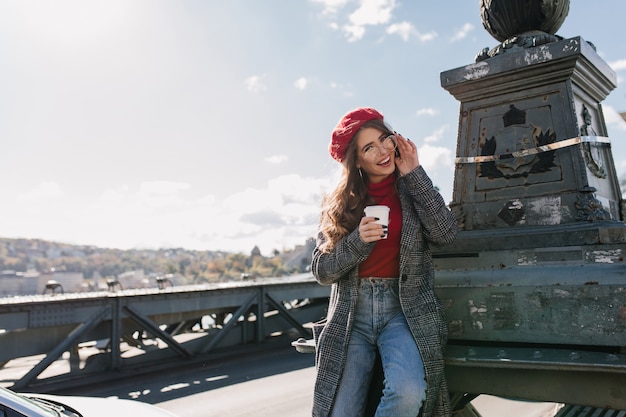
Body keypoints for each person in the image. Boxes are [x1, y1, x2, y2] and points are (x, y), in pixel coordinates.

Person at [311, 107, 458, 417]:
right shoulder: (340, 203)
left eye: (384, 139)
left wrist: (415, 172)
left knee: (408, 393)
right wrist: (358, 241)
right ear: (357, 161)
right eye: (369, 148)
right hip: (353, 317)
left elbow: (445, 233)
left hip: (404, 312)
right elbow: (322, 271)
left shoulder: (412, 188)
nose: (382, 151)